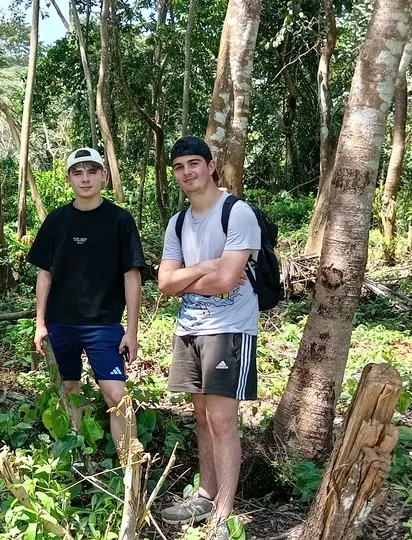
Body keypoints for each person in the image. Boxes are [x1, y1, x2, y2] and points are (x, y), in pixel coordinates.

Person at [156, 136, 261, 537]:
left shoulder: (237, 213)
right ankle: (205, 494)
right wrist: (203, 267)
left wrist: (187, 278)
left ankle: (223, 514)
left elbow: (226, 281)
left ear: (211, 166)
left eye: (194, 163)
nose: (187, 172)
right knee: (201, 417)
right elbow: (164, 283)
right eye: (179, 166)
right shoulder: (178, 222)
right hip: (189, 329)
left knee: (221, 419)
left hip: (229, 329)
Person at [29, 147, 145, 450]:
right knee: (68, 389)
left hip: (104, 324)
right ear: (68, 178)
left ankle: (129, 465)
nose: (85, 179)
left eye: (92, 171)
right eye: (78, 173)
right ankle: (77, 459)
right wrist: (40, 324)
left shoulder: (120, 220)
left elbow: (132, 276)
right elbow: (44, 274)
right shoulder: (56, 220)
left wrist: (132, 331)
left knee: (117, 396)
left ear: (104, 175)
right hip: (61, 323)